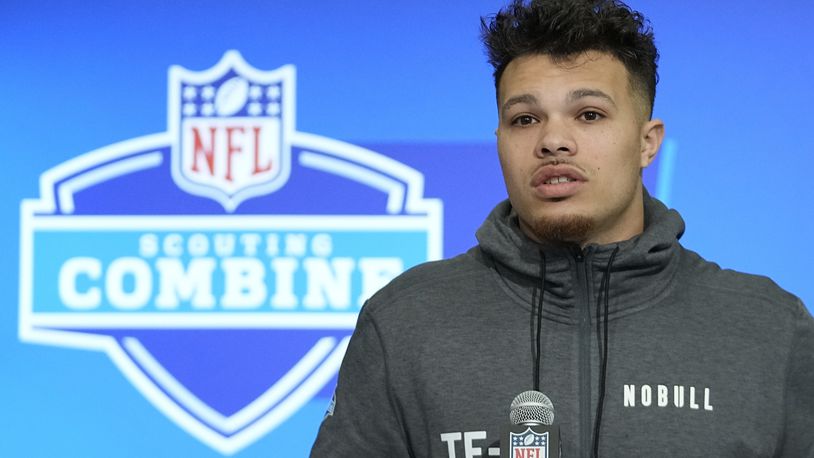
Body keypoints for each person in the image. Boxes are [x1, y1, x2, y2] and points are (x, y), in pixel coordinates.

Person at [310, 0, 814, 456]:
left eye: (589, 114)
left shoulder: (771, 329)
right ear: (499, 140)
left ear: (647, 142)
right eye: (525, 119)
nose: (553, 140)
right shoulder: (404, 323)